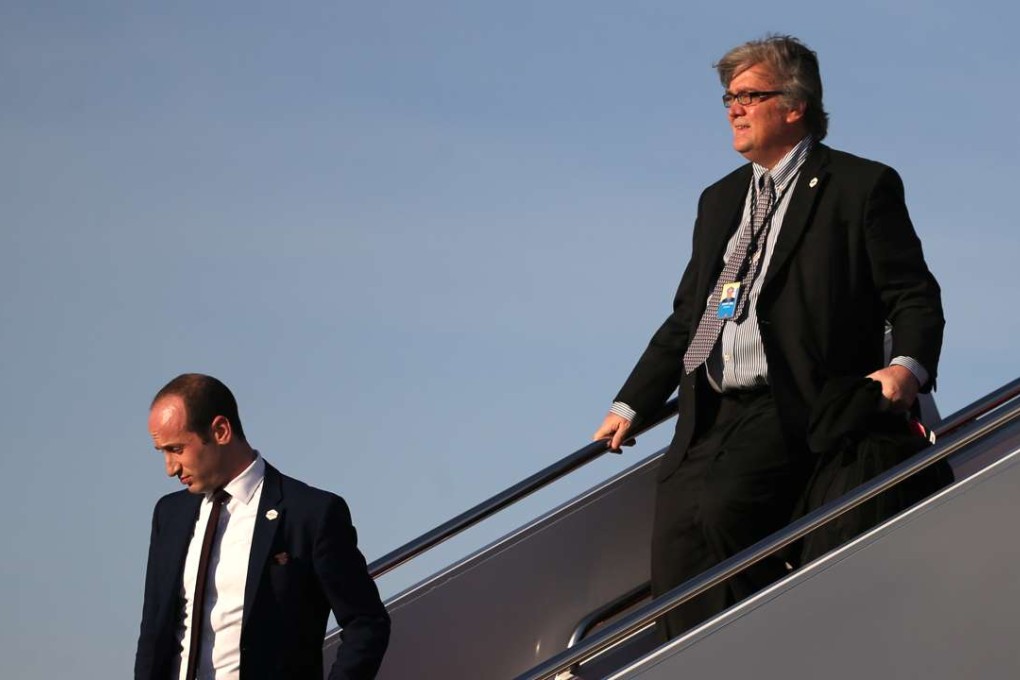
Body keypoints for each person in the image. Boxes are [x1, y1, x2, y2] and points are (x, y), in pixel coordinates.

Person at [592, 35, 944, 639]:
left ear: (795, 104)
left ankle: (765, 649)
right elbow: (689, 316)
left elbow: (913, 294)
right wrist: (631, 402)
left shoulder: (859, 187)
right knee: (676, 543)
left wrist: (905, 369)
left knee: (724, 510)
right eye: (729, 96)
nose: (734, 107)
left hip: (791, 400)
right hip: (708, 406)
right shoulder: (720, 199)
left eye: (750, 95)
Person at [135, 374, 390, 679]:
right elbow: (153, 632)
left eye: (176, 449)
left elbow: (366, 623)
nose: (170, 468)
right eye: (162, 452)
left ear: (220, 430)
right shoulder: (170, 514)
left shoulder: (310, 514)